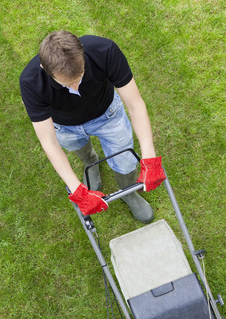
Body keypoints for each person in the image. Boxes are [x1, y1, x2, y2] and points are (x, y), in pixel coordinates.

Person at [19, 31, 166, 222]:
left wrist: (149, 156)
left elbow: (135, 104)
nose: (75, 89)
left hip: (108, 115)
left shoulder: (105, 50)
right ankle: (90, 162)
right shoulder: (30, 81)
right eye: (66, 84)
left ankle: (128, 193)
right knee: (77, 147)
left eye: (79, 77)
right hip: (65, 126)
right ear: (44, 68)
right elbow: (49, 142)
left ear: (83, 53)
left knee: (126, 162)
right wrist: (76, 189)